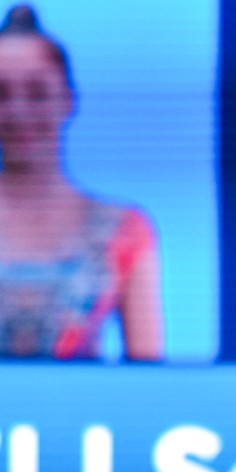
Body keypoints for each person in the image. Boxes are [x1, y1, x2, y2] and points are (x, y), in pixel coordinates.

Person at [0, 4, 162, 360]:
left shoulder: (124, 228)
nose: (18, 112)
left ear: (68, 98)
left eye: (37, 93)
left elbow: (149, 378)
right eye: (2, 94)